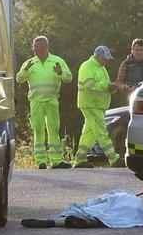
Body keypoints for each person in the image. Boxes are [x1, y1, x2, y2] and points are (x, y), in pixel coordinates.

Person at [16, 36, 73, 169]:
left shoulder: (57, 61)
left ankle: (56, 161)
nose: (34, 50)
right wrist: (25, 70)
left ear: (45, 47)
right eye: (33, 47)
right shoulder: (29, 63)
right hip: (36, 102)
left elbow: (69, 78)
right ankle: (41, 161)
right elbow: (19, 79)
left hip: (52, 101)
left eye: (37, 48)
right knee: (38, 130)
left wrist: (60, 73)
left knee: (53, 130)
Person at [75, 45, 121, 167]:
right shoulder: (87, 66)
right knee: (102, 131)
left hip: (96, 105)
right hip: (91, 105)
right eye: (105, 58)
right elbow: (89, 85)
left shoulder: (101, 68)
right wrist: (107, 86)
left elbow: (103, 85)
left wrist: (111, 88)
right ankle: (113, 158)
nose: (107, 61)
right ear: (97, 56)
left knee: (89, 134)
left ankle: (80, 159)